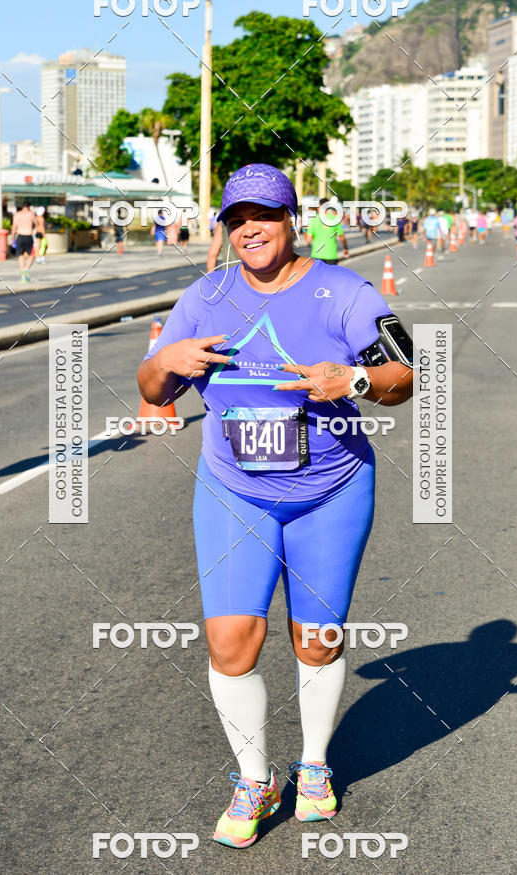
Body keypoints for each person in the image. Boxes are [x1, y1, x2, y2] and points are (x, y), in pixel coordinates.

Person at [137, 163, 414, 849]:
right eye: (236, 219)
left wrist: (350, 377)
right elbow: (150, 387)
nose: (250, 229)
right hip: (234, 489)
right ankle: (255, 779)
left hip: (331, 489)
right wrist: (167, 356)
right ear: (225, 228)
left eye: (263, 215)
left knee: (316, 638)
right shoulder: (205, 294)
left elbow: (405, 372)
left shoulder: (342, 291)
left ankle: (314, 766)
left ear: (291, 218)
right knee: (231, 641)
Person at [306, 198, 349, 265]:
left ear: (319, 206)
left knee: (318, 275)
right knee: (331, 275)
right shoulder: (334, 219)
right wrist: (345, 249)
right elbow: (342, 237)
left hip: (316, 255)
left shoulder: (313, 220)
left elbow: (309, 239)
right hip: (331, 255)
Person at [10, 200, 37, 281]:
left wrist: (12, 238)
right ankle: (26, 269)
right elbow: (36, 223)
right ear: (29, 207)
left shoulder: (17, 214)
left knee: (20, 255)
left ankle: (23, 275)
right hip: (28, 236)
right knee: (32, 255)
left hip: (20, 236)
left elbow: (14, 227)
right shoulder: (31, 214)